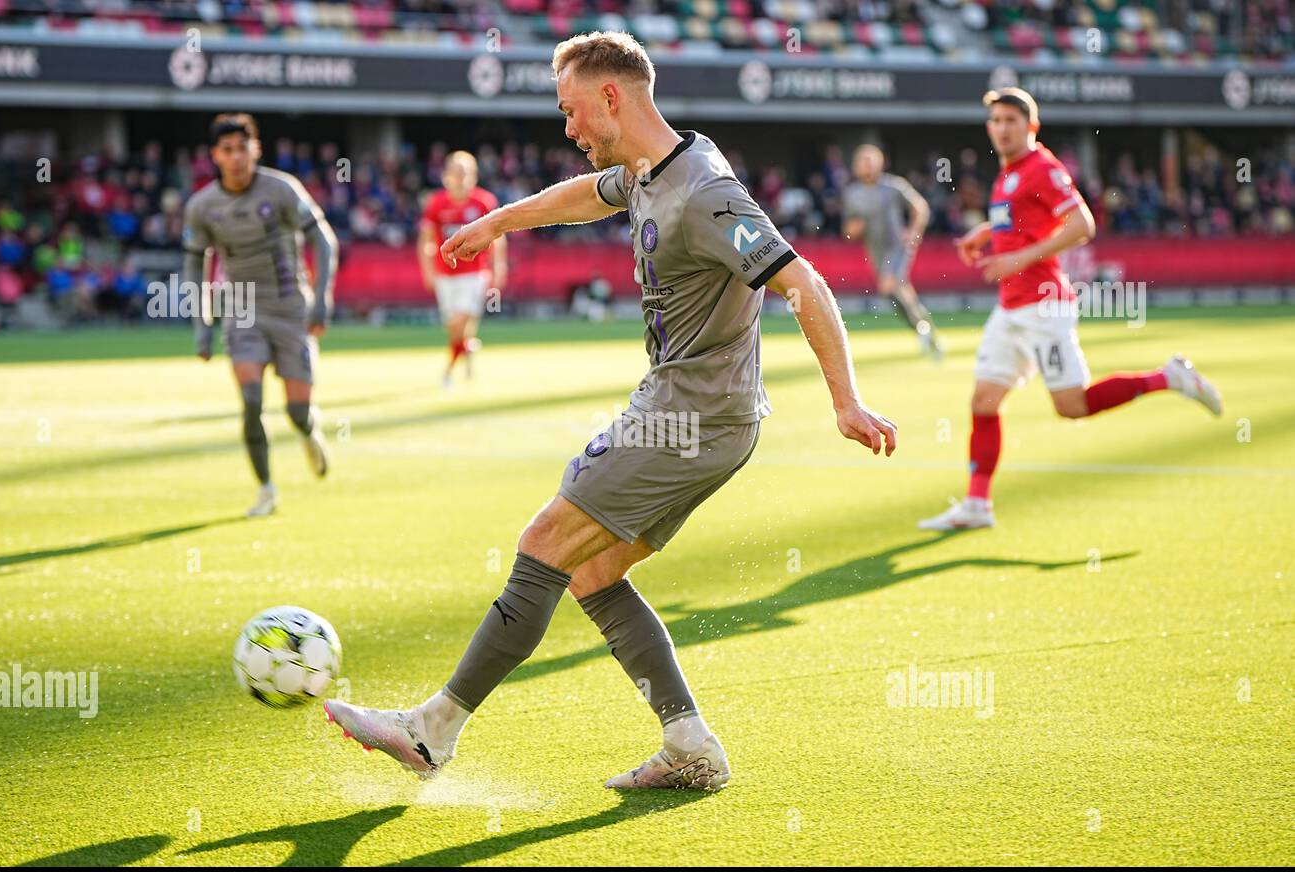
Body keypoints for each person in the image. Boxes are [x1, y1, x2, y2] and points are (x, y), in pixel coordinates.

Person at [323, 31, 897, 791]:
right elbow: (580, 197)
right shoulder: (651, 168)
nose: (567, 129)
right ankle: (690, 742)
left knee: (545, 539)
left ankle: (433, 730)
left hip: (689, 417)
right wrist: (498, 222)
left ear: (610, 98)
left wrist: (845, 399)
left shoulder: (703, 190)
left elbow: (805, 284)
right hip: (699, 414)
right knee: (592, 569)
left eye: (570, 111)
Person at [918, 88, 1222, 532]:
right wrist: (985, 233)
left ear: (1031, 127)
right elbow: (1020, 223)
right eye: (996, 121)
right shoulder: (1007, 175)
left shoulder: (1042, 167)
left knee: (1072, 406)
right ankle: (978, 504)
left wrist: (1019, 259)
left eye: (1011, 121)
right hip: (1010, 309)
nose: (1002, 128)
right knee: (983, 402)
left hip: (1044, 306)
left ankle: (1169, 376)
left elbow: (1083, 224)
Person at [182, 113, 339, 517]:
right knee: (251, 400)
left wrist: (320, 299)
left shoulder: (282, 189)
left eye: (243, 148)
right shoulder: (202, 206)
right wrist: (202, 326)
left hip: (290, 308)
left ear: (257, 149)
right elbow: (196, 266)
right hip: (243, 310)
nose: (236, 158)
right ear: (216, 155)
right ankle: (267, 490)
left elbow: (323, 240)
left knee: (296, 411)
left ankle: (308, 430)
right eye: (227, 150)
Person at [842, 145, 941, 358]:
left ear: (880, 163)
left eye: (870, 160)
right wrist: (854, 230)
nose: (866, 165)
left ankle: (923, 331)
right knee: (897, 293)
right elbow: (848, 231)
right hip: (875, 251)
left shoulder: (894, 186)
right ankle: (925, 331)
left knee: (890, 284)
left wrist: (914, 232)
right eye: (862, 161)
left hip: (898, 247)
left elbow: (920, 207)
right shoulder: (852, 194)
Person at [417, 151, 507, 386]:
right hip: (445, 274)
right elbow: (424, 239)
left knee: (459, 322)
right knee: (454, 328)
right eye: (455, 172)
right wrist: (427, 270)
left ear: (474, 175)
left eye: (464, 172)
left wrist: (498, 267)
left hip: (475, 273)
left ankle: (447, 373)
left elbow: (498, 238)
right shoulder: (436, 203)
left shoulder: (484, 202)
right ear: (446, 175)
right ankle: (467, 348)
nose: (460, 178)